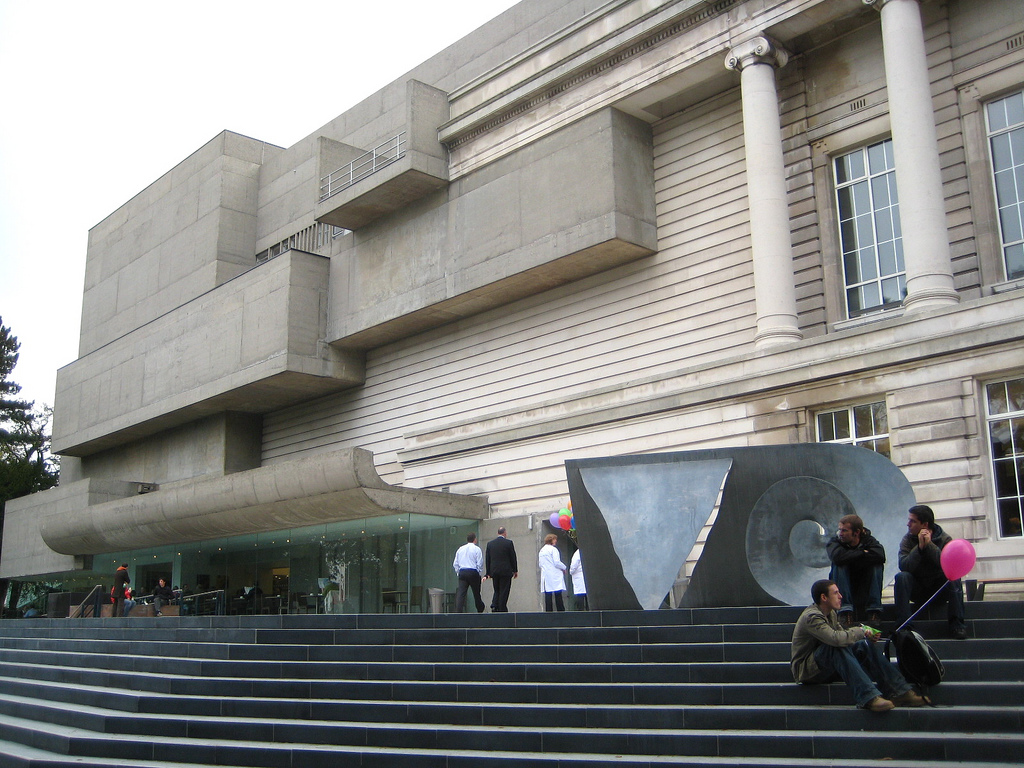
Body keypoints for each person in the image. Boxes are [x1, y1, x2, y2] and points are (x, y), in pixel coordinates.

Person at [791, 579, 925, 711]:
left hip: (828, 664)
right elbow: (836, 639)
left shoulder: (830, 613)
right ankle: (868, 697)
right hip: (807, 670)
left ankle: (900, 692)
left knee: (862, 645)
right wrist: (860, 631)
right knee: (836, 647)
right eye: (836, 593)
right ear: (824, 597)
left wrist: (866, 636)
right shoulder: (812, 617)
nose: (840, 596)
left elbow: (843, 635)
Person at [894, 504, 967, 639]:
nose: (908, 524)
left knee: (954, 577)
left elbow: (948, 565)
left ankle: (957, 625)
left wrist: (929, 546)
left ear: (925, 525)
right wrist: (919, 548)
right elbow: (904, 565)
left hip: (939, 589)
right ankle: (904, 625)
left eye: (912, 521)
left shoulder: (945, 539)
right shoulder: (907, 539)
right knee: (902, 577)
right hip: (918, 589)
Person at [826, 514, 885, 627]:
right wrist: (863, 553)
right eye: (840, 530)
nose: (840, 534)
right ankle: (845, 611)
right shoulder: (835, 541)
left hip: (864, 587)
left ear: (856, 532)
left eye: (844, 531)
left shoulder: (869, 541)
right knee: (839, 565)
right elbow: (837, 557)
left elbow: (880, 556)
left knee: (876, 565)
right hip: (844, 588)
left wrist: (849, 556)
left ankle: (874, 610)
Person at [485, 526, 518, 612]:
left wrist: (488, 572)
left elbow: (488, 559)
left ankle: (494, 605)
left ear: (498, 533)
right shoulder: (509, 543)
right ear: (505, 533)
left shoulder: (490, 544)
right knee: (504, 590)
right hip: (505, 571)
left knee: (497, 589)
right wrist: (515, 570)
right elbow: (512, 557)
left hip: (494, 571)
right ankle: (502, 607)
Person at [453, 533, 486, 613]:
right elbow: (480, 562)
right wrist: (478, 572)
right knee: (476, 593)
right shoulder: (477, 549)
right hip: (473, 571)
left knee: (461, 593)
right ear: (475, 539)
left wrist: (458, 572)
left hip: (462, 571)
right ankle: (480, 609)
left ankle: (458, 610)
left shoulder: (460, 549)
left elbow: (455, 563)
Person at [538, 533, 567, 611]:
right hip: (555, 574)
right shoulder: (553, 550)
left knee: (548, 594)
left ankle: (548, 612)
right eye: (555, 539)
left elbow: (540, 564)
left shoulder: (542, 550)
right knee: (558, 594)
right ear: (551, 540)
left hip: (546, 574)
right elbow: (556, 562)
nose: (556, 541)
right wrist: (564, 568)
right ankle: (561, 611)